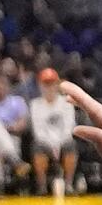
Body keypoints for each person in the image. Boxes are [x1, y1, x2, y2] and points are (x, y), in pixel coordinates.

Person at [29, 68, 80, 196]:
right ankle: (42, 185)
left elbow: (69, 127)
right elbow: (38, 130)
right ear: (40, 86)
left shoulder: (67, 103)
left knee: (71, 145)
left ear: (56, 85)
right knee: (37, 146)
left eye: (51, 84)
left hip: (63, 139)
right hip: (45, 141)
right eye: (45, 84)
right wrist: (52, 145)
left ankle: (68, 184)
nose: (49, 87)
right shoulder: (35, 104)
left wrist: (58, 144)